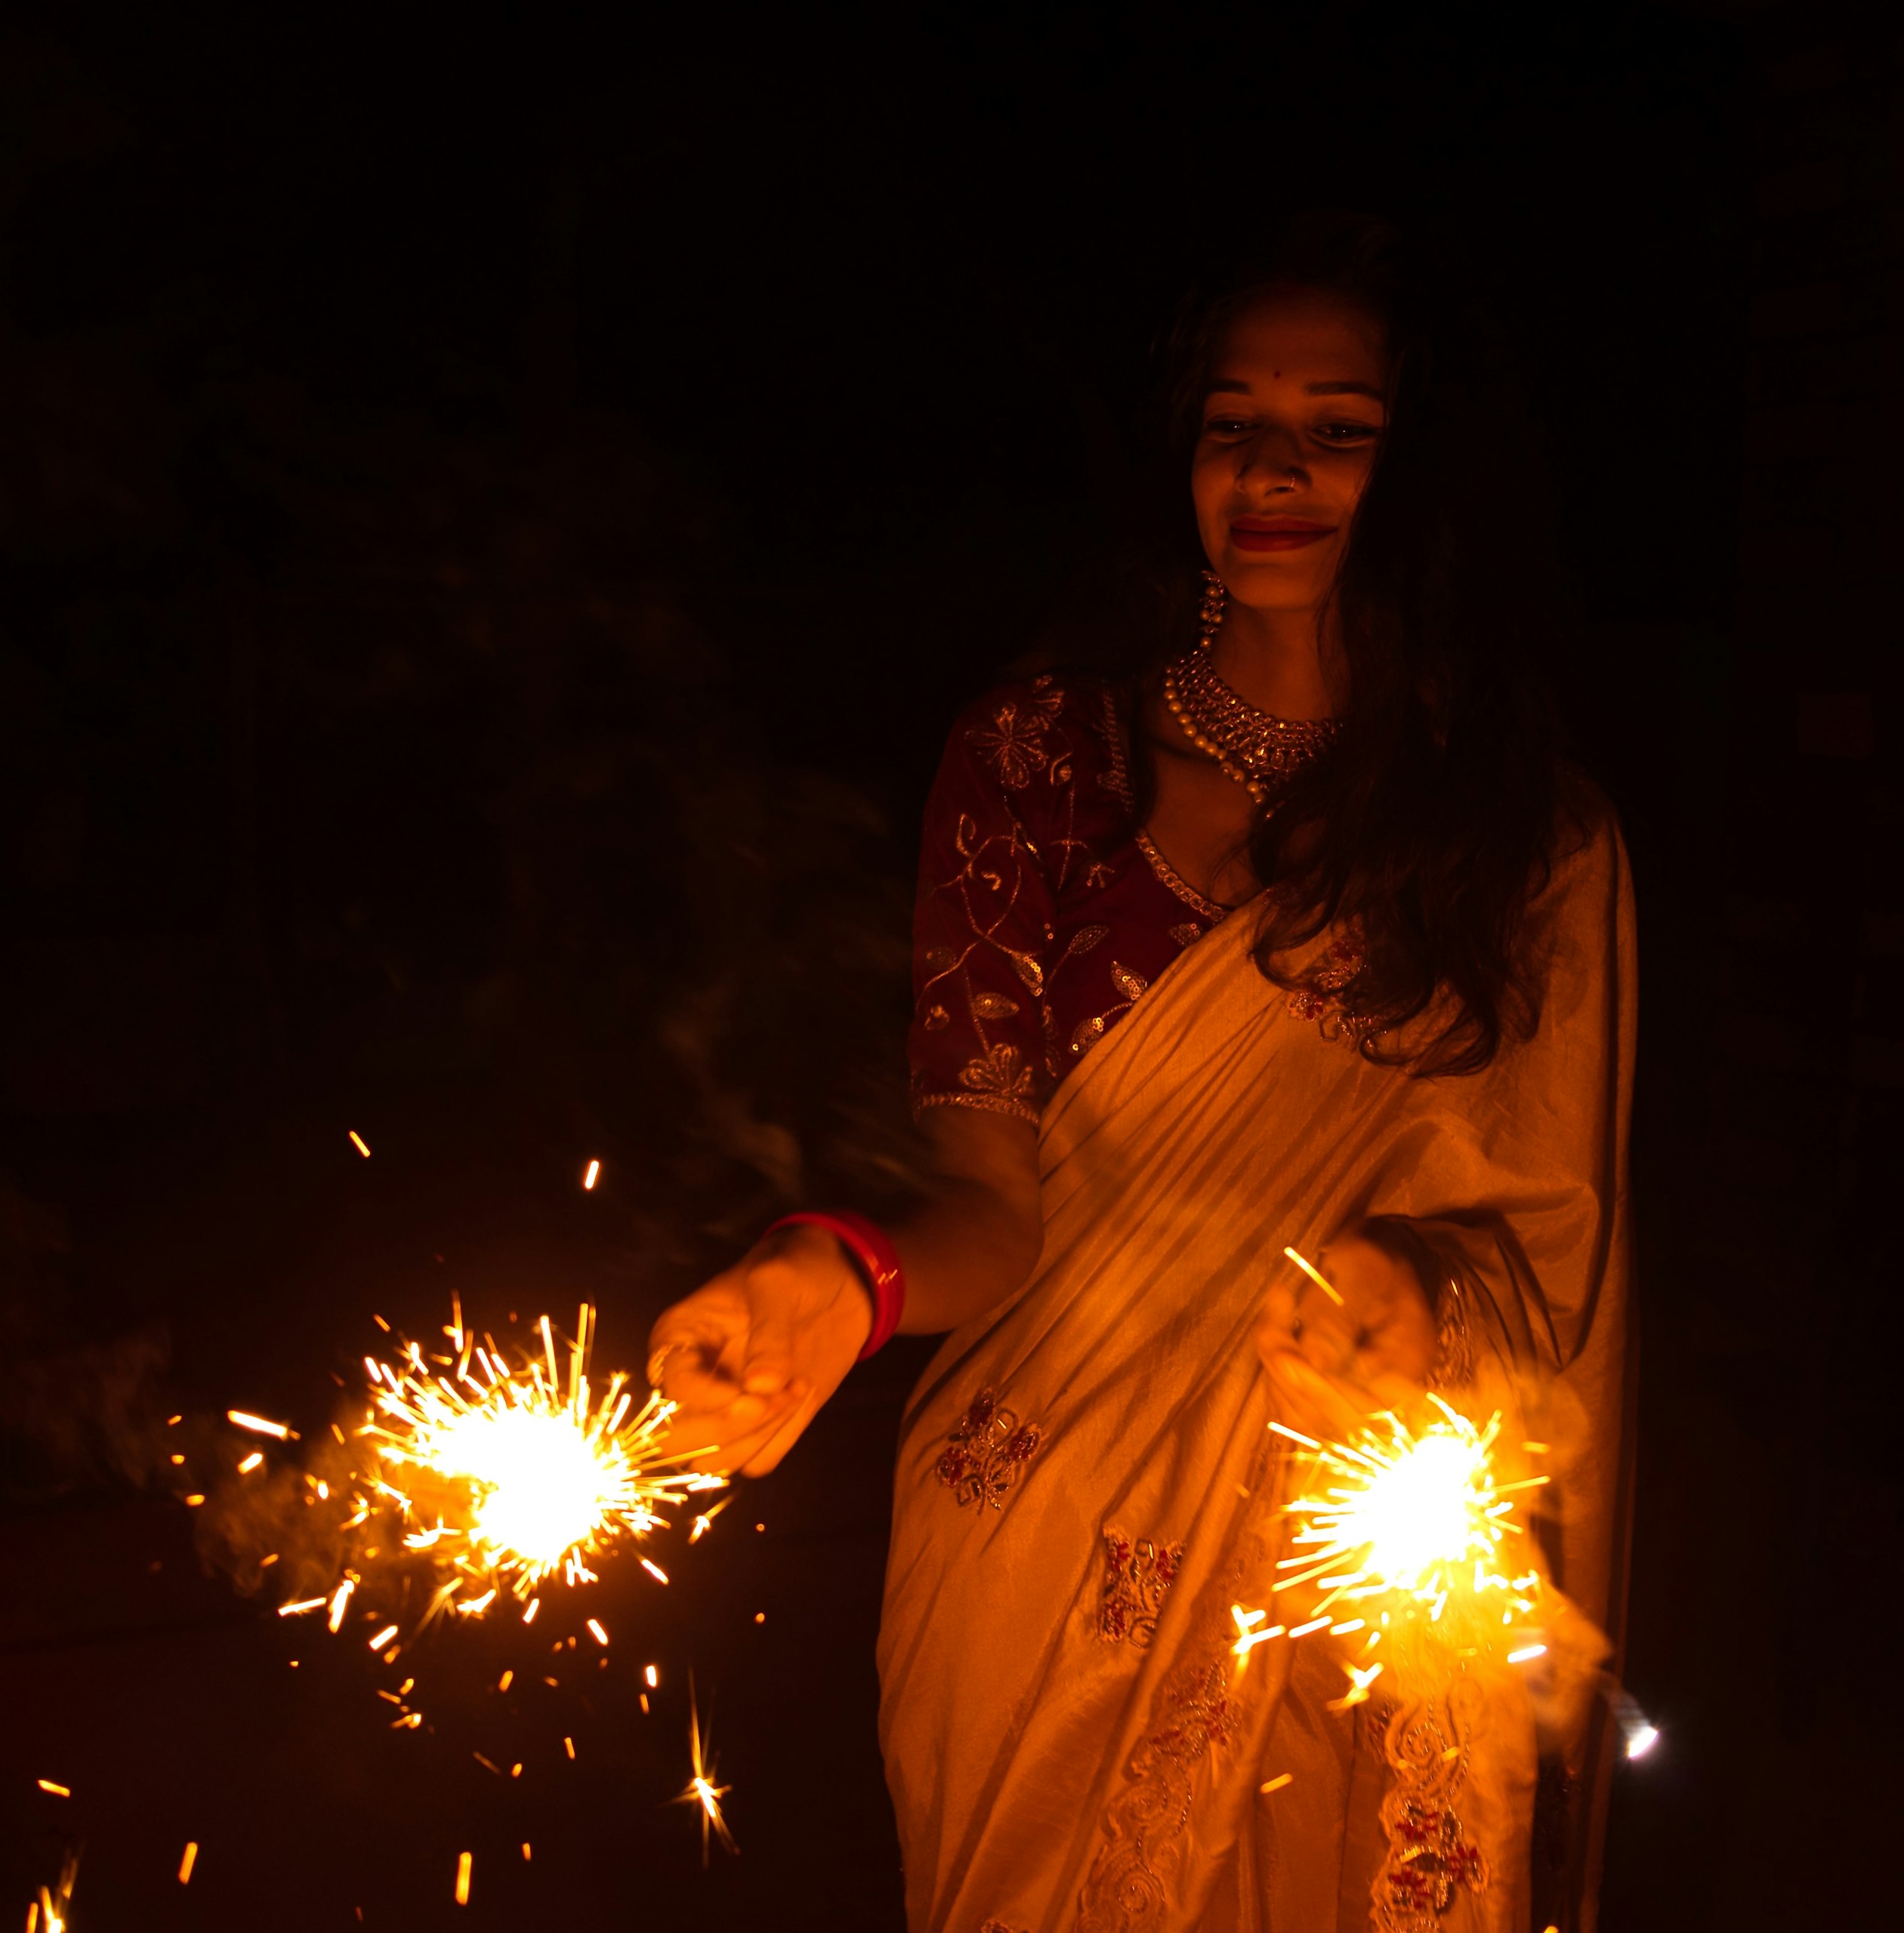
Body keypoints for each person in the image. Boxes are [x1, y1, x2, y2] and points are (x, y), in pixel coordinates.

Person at [647, 215, 1637, 1933]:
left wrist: (1417, 1290)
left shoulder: (1522, 843)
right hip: (1033, 1535)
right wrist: (844, 1280)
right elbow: (989, 1200)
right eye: (1232, 419)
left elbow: (1544, 1242)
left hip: (1349, 1556)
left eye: (1338, 424)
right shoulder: (1039, 758)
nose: (1274, 468)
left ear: (1423, 468)